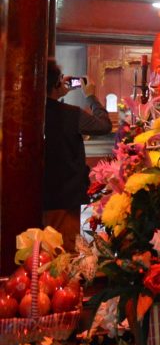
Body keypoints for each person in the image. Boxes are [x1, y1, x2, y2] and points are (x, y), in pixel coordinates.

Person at [43, 59, 112, 248]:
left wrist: (56, 91)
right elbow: (104, 126)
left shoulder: (30, 112)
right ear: (56, 83)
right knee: (68, 255)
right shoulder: (71, 114)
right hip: (69, 200)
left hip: (38, 198)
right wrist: (90, 96)